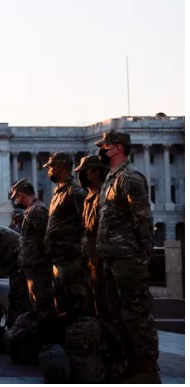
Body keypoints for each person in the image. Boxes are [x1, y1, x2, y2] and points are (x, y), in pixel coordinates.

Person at [95, 130, 160, 382]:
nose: (101, 150)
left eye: (105, 146)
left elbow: (142, 218)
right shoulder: (111, 178)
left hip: (128, 259)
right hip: (111, 257)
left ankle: (145, 369)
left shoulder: (130, 178)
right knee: (116, 315)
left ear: (118, 148)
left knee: (136, 315)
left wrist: (143, 251)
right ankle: (126, 366)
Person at [43, 151, 87, 317]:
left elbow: (87, 224)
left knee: (74, 304)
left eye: (51, 167)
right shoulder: (58, 192)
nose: (49, 171)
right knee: (61, 305)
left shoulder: (75, 192)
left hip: (71, 260)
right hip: (59, 259)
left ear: (60, 168)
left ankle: (80, 338)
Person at [10, 178, 54, 313]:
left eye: (16, 198)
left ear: (20, 195)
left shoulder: (37, 210)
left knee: (42, 303)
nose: (16, 202)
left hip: (38, 266)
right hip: (32, 264)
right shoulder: (31, 210)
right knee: (35, 302)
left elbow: (45, 238)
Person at [76, 154, 110, 320]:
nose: (81, 175)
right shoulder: (89, 196)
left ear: (96, 173)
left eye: (85, 171)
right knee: (94, 305)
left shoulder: (105, 194)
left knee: (105, 306)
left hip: (102, 261)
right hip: (90, 261)